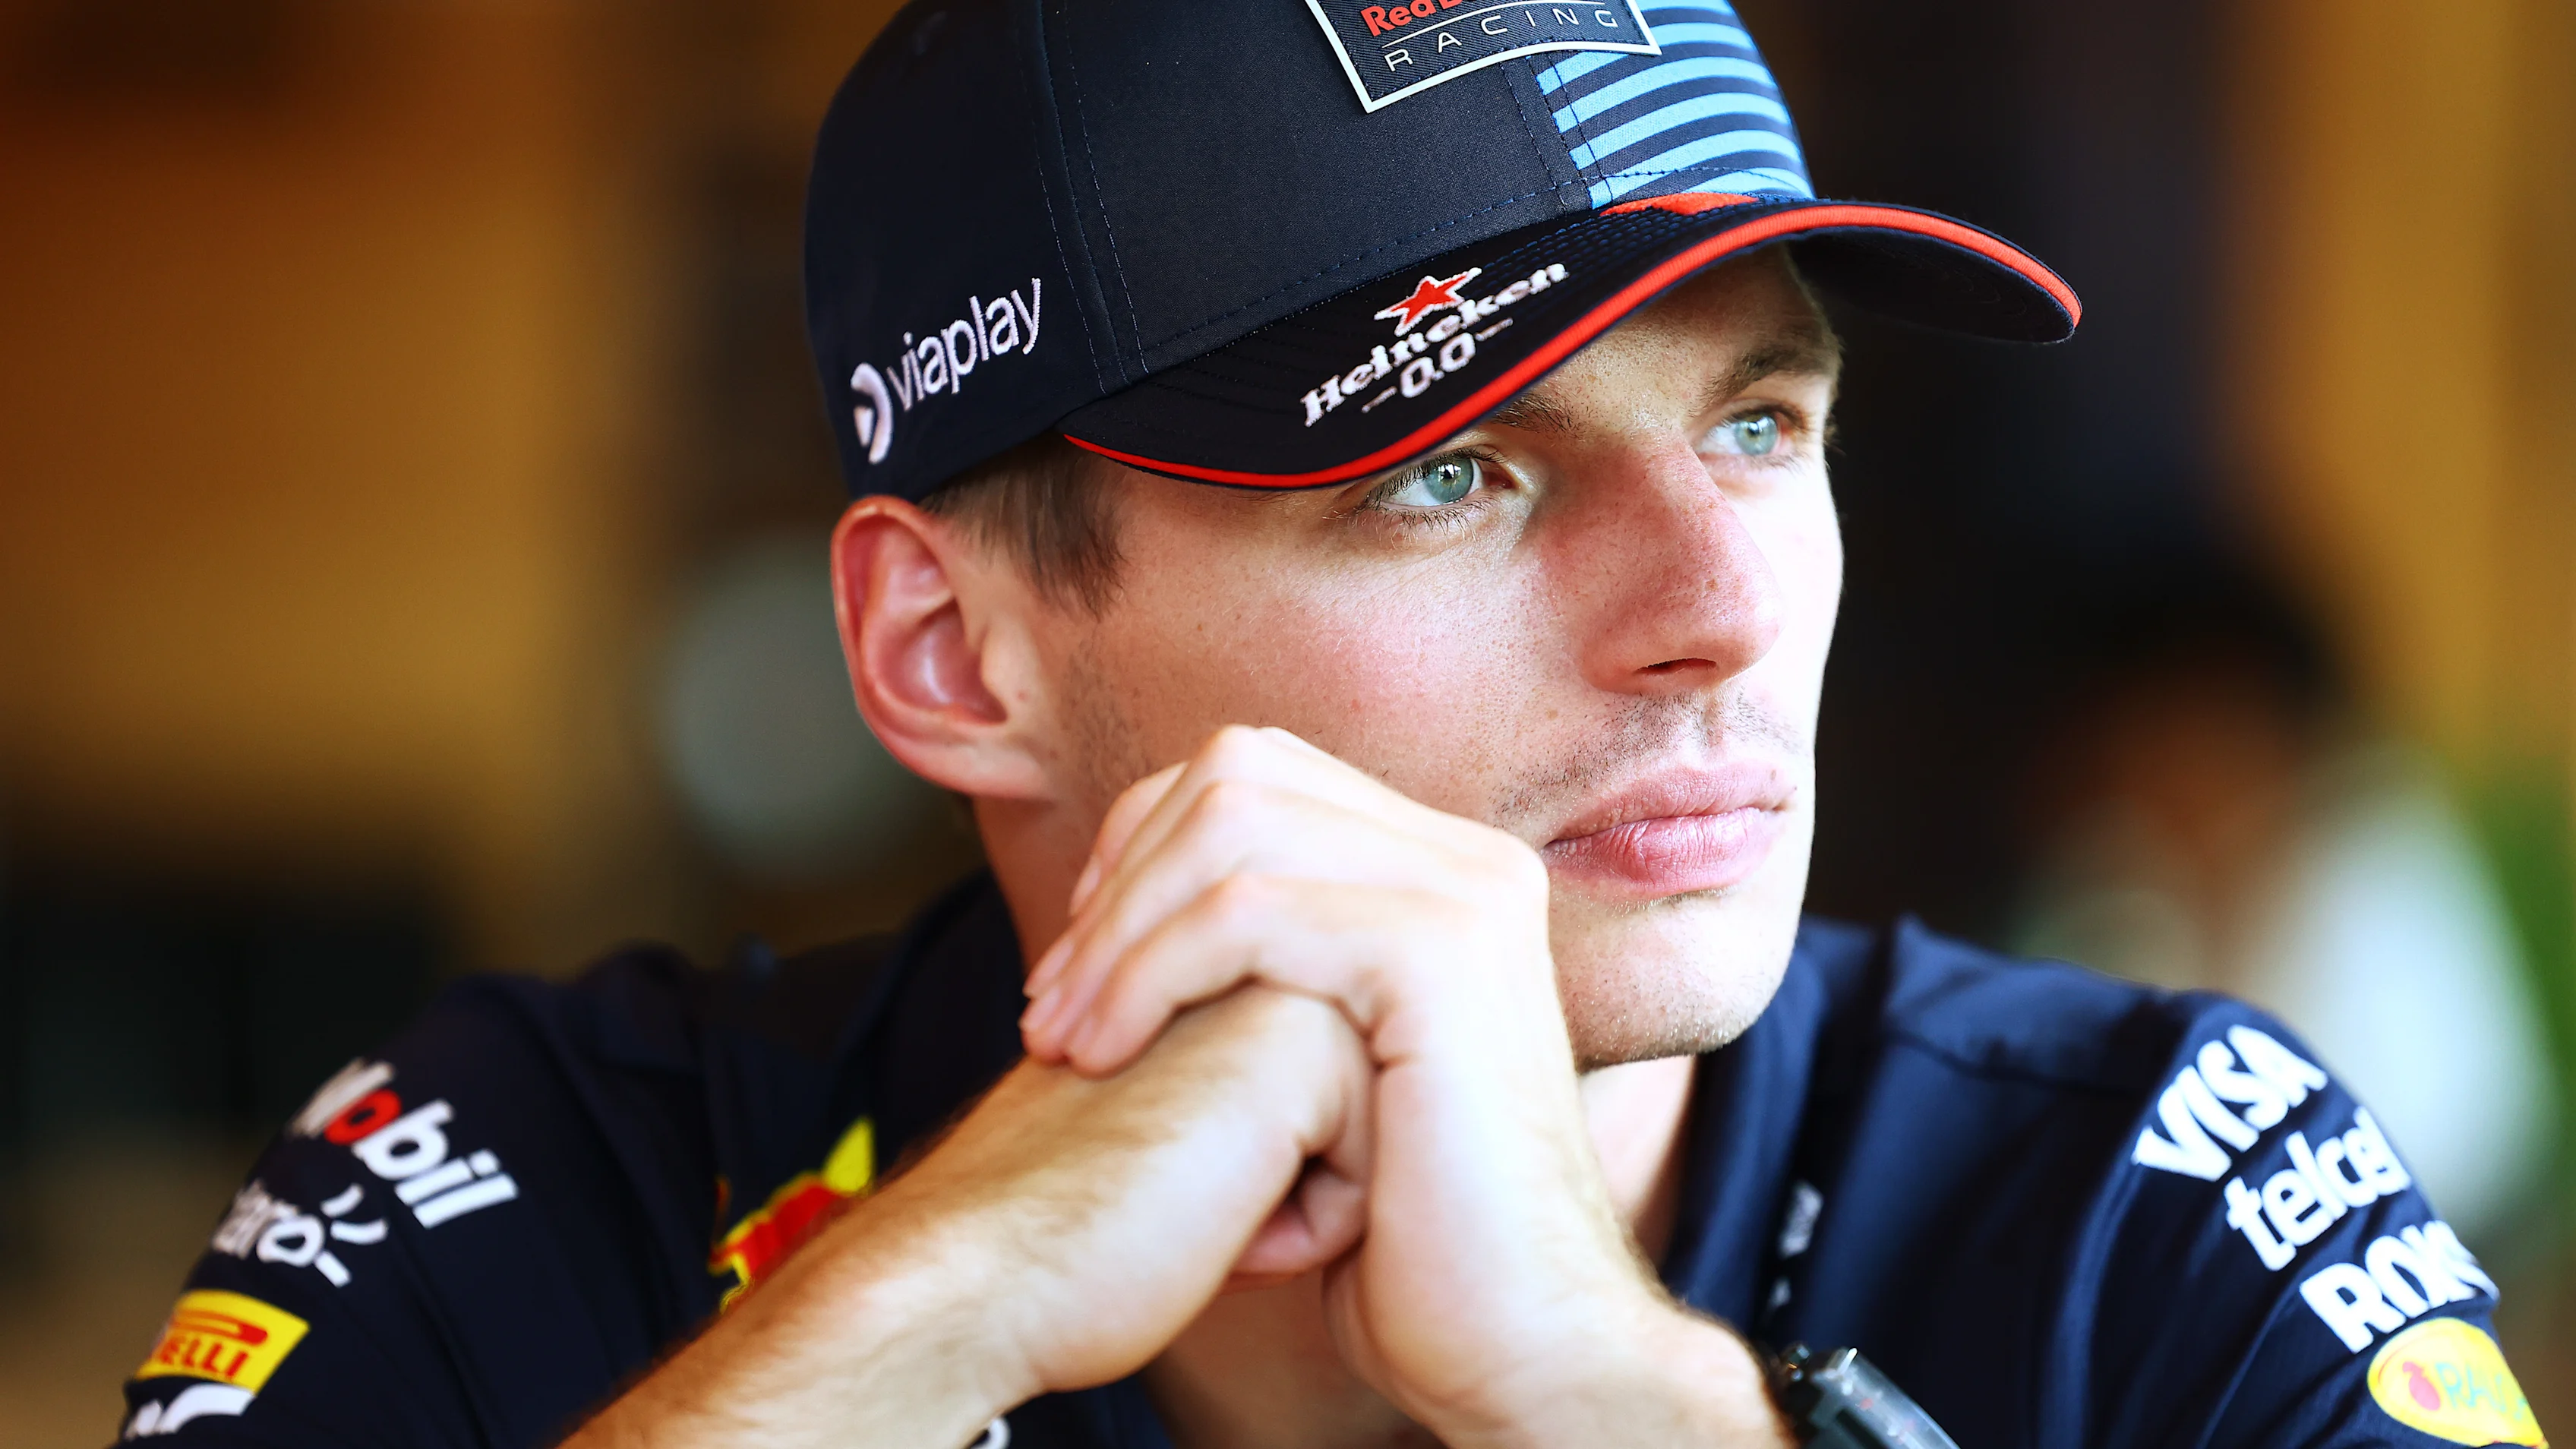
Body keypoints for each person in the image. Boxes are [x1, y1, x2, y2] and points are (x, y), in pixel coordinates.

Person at [118, 2, 2543, 1447]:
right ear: (957, 652)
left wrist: (1599, 1387)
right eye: (1454, 472)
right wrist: (928, 1314)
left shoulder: (2158, 1198)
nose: (1722, 616)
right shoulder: (536, 1182)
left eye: (1761, 422)